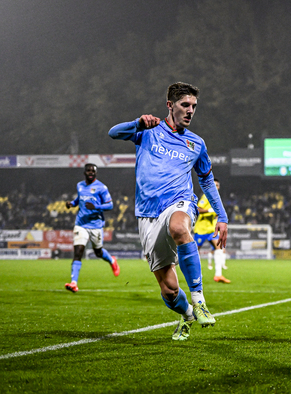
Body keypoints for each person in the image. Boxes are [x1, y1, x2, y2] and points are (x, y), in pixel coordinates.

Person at [108, 82, 228, 341]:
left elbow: (206, 181)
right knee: (169, 291)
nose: (190, 111)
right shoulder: (147, 131)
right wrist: (137, 123)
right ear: (169, 105)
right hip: (147, 215)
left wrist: (222, 216)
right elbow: (113, 133)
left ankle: (199, 301)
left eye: (194, 106)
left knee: (178, 228)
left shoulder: (196, 144)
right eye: (185, 105)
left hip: (180, 202)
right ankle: (187, 314)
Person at [64, 163, 119, 293]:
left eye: (93, 171)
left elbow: (110, 205)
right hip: (81, 224)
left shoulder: (101, 188)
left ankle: (112, 260)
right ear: (84, 172)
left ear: (95, 173)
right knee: (78, 252)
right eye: (88, 170)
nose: (90, 172)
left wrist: (96, 207)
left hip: (96, 225)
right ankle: (74, 283)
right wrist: (72, 203)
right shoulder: (80, 185)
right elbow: (80, 199)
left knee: (98, 252)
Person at [194, 178, 230, 283]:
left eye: (217, 185)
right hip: (201, 229)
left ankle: (218, 275)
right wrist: (209, 211)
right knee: (194, 251)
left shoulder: (216, 199)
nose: (216, 187)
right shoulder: (206, 197)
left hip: (211, 229)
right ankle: (192, 274)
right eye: (214, 185)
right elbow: (198, 209)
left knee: (219, 248)